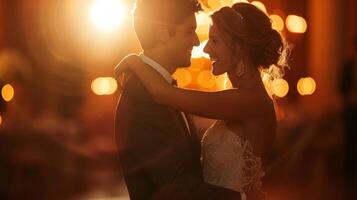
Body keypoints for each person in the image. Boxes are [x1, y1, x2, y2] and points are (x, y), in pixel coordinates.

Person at [117, 2, 290, 199]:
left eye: (215, 40)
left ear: (239, 47)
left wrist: (133, 61)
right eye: (192, 32)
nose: (204, 47)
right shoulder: (239, 98)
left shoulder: (250, 101)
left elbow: (161, 92)